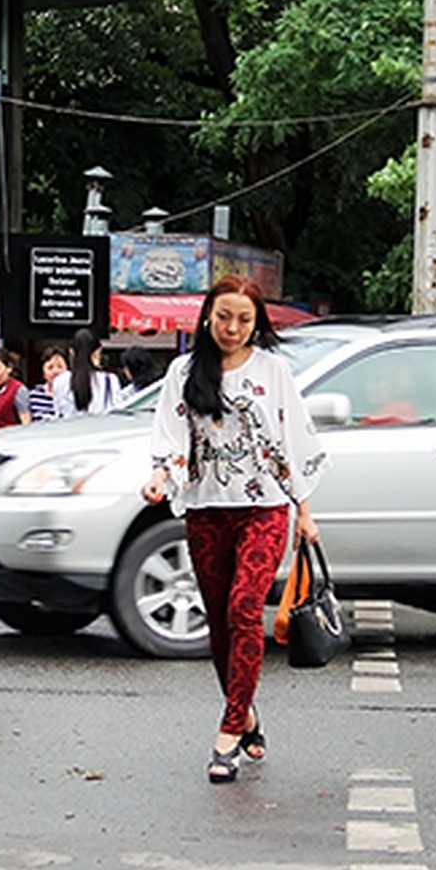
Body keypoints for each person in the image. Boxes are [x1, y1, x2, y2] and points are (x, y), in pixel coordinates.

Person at [141, 274, 329, 784]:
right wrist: (160, 476)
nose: (233, 328)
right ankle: (246, 713)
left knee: (246, 607)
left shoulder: (274, 372)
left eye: (244, 319)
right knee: (220, 623)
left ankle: (227, 733)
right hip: (206, 510)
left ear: (257, 323)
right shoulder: (184, 372)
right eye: (224, 316)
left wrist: (304, 510)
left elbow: (294, 442)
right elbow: (172, 438)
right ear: (207, 316)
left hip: (264, 508)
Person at [52, 328, 118, 417]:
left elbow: (58, 413)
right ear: (97, 353)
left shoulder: (59, 381)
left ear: (72, 352)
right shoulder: (109, 380)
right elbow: (115, 412)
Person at [29, 344, 68, 421]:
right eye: (50, 368)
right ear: (43, 372)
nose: (56, 371)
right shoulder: (33, 396)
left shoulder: (72, 395)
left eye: (60, 367)